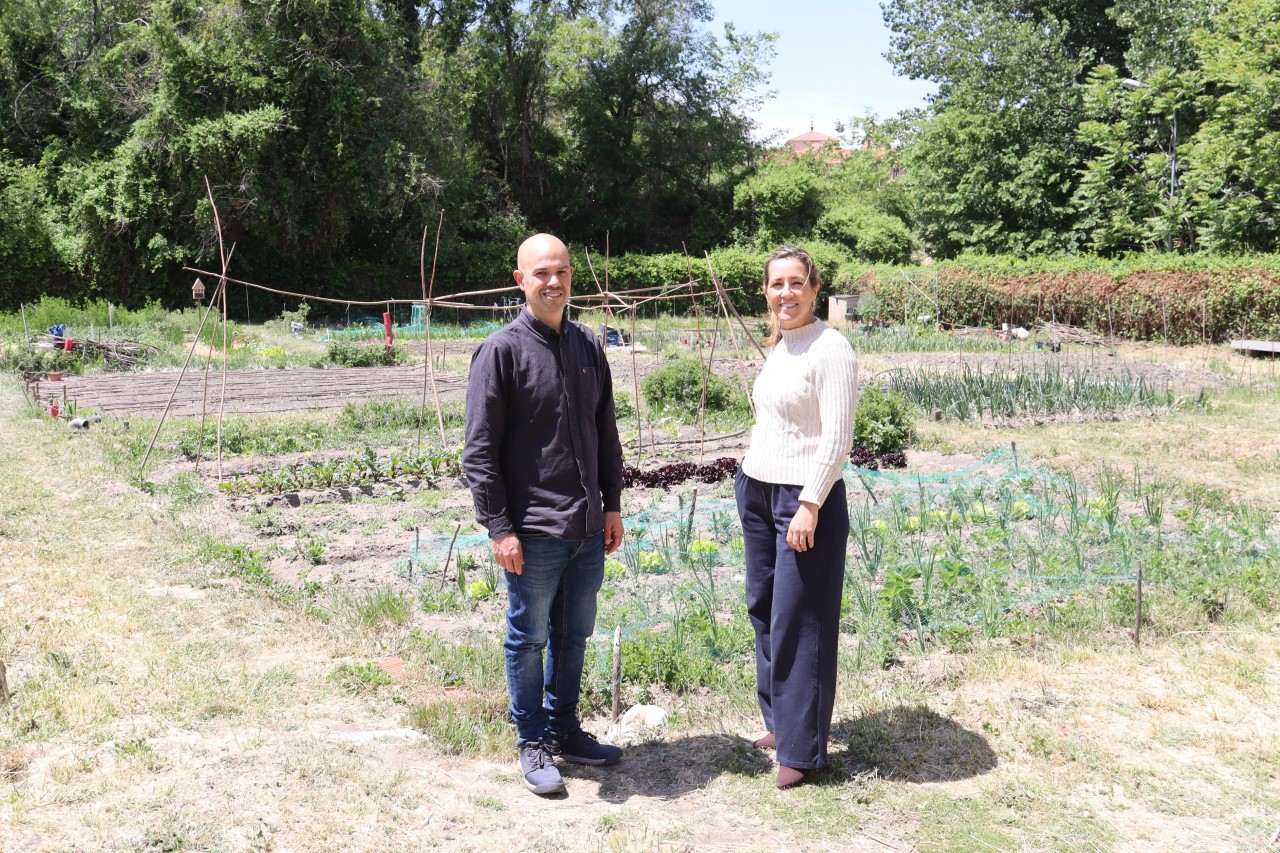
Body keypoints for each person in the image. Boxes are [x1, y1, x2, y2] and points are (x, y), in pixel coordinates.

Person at [462, 233, 626, 796]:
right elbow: (479, 453)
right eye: (540, 274)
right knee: (528, 637)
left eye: (561, 272)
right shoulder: (501, 352)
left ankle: (566, 729)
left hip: (586, 525)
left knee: (574, 633)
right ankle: (532, 740)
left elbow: (605, 433)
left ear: (571, 276)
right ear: (520, 281)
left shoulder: (586, 345)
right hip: (532, 531)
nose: (553, 282)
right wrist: (499, 527)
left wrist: (613, 504)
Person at [734, 245, 858, 789]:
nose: (785, 293)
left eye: (795, 283)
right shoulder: (781, 346)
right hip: (758, 489)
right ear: (766, 291)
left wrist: (809, 503)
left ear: (813, 288)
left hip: (805, 497)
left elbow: (836, 439)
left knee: (800, 620)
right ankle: (779, 723)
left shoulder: (830, 349)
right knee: (764, 607)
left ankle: (803, 752)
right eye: (776, 284)